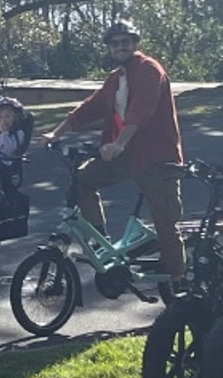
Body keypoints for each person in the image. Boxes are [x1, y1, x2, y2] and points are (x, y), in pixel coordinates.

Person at [43, 18, 186, 294]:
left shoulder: (149, 70)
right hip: (126, 154)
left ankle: (181, 283)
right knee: (83, 178)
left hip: (157, 159)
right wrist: (56, 133)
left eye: (125, 42)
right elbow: (89, 108)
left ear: (135, 44)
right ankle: (101, 241)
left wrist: (118, 143)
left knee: (166, 224)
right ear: (109, 48)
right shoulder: (115, 78)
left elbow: (140, 112)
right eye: (115, 44)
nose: (120, 47)